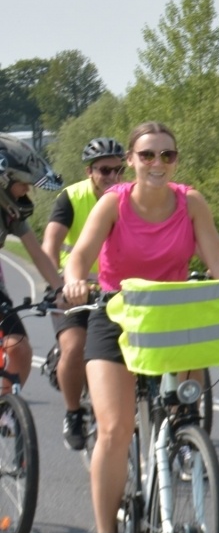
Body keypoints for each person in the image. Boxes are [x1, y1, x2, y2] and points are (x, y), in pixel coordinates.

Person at [62, 122, 219, 533]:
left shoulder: (190, 202)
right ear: (131, 160)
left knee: (183, 411)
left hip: (173, 316)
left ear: (176, 160)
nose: (157, 164)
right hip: (118, 314)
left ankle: (179, 444)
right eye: (147, 155)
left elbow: (218, 259)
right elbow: (81, 255)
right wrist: (75, 280)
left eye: (166, 156)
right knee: (114, 428)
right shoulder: (114, 202)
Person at [42, 138, 126, 449]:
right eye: (105, 170)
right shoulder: (71, 197)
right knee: (75, 347)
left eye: (119, 170)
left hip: (115, 288)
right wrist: (58, 288)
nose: (113, 177)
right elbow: (50, 245)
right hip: (72, 287)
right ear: (89, 171)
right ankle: (74, 412)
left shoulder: (129, 197)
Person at [0, 135, 68, 390]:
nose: (28, 190)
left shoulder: (10, 213)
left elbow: (37, 254)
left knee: (20, 348)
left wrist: (60, 289)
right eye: (24, 183)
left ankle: (5, 409)